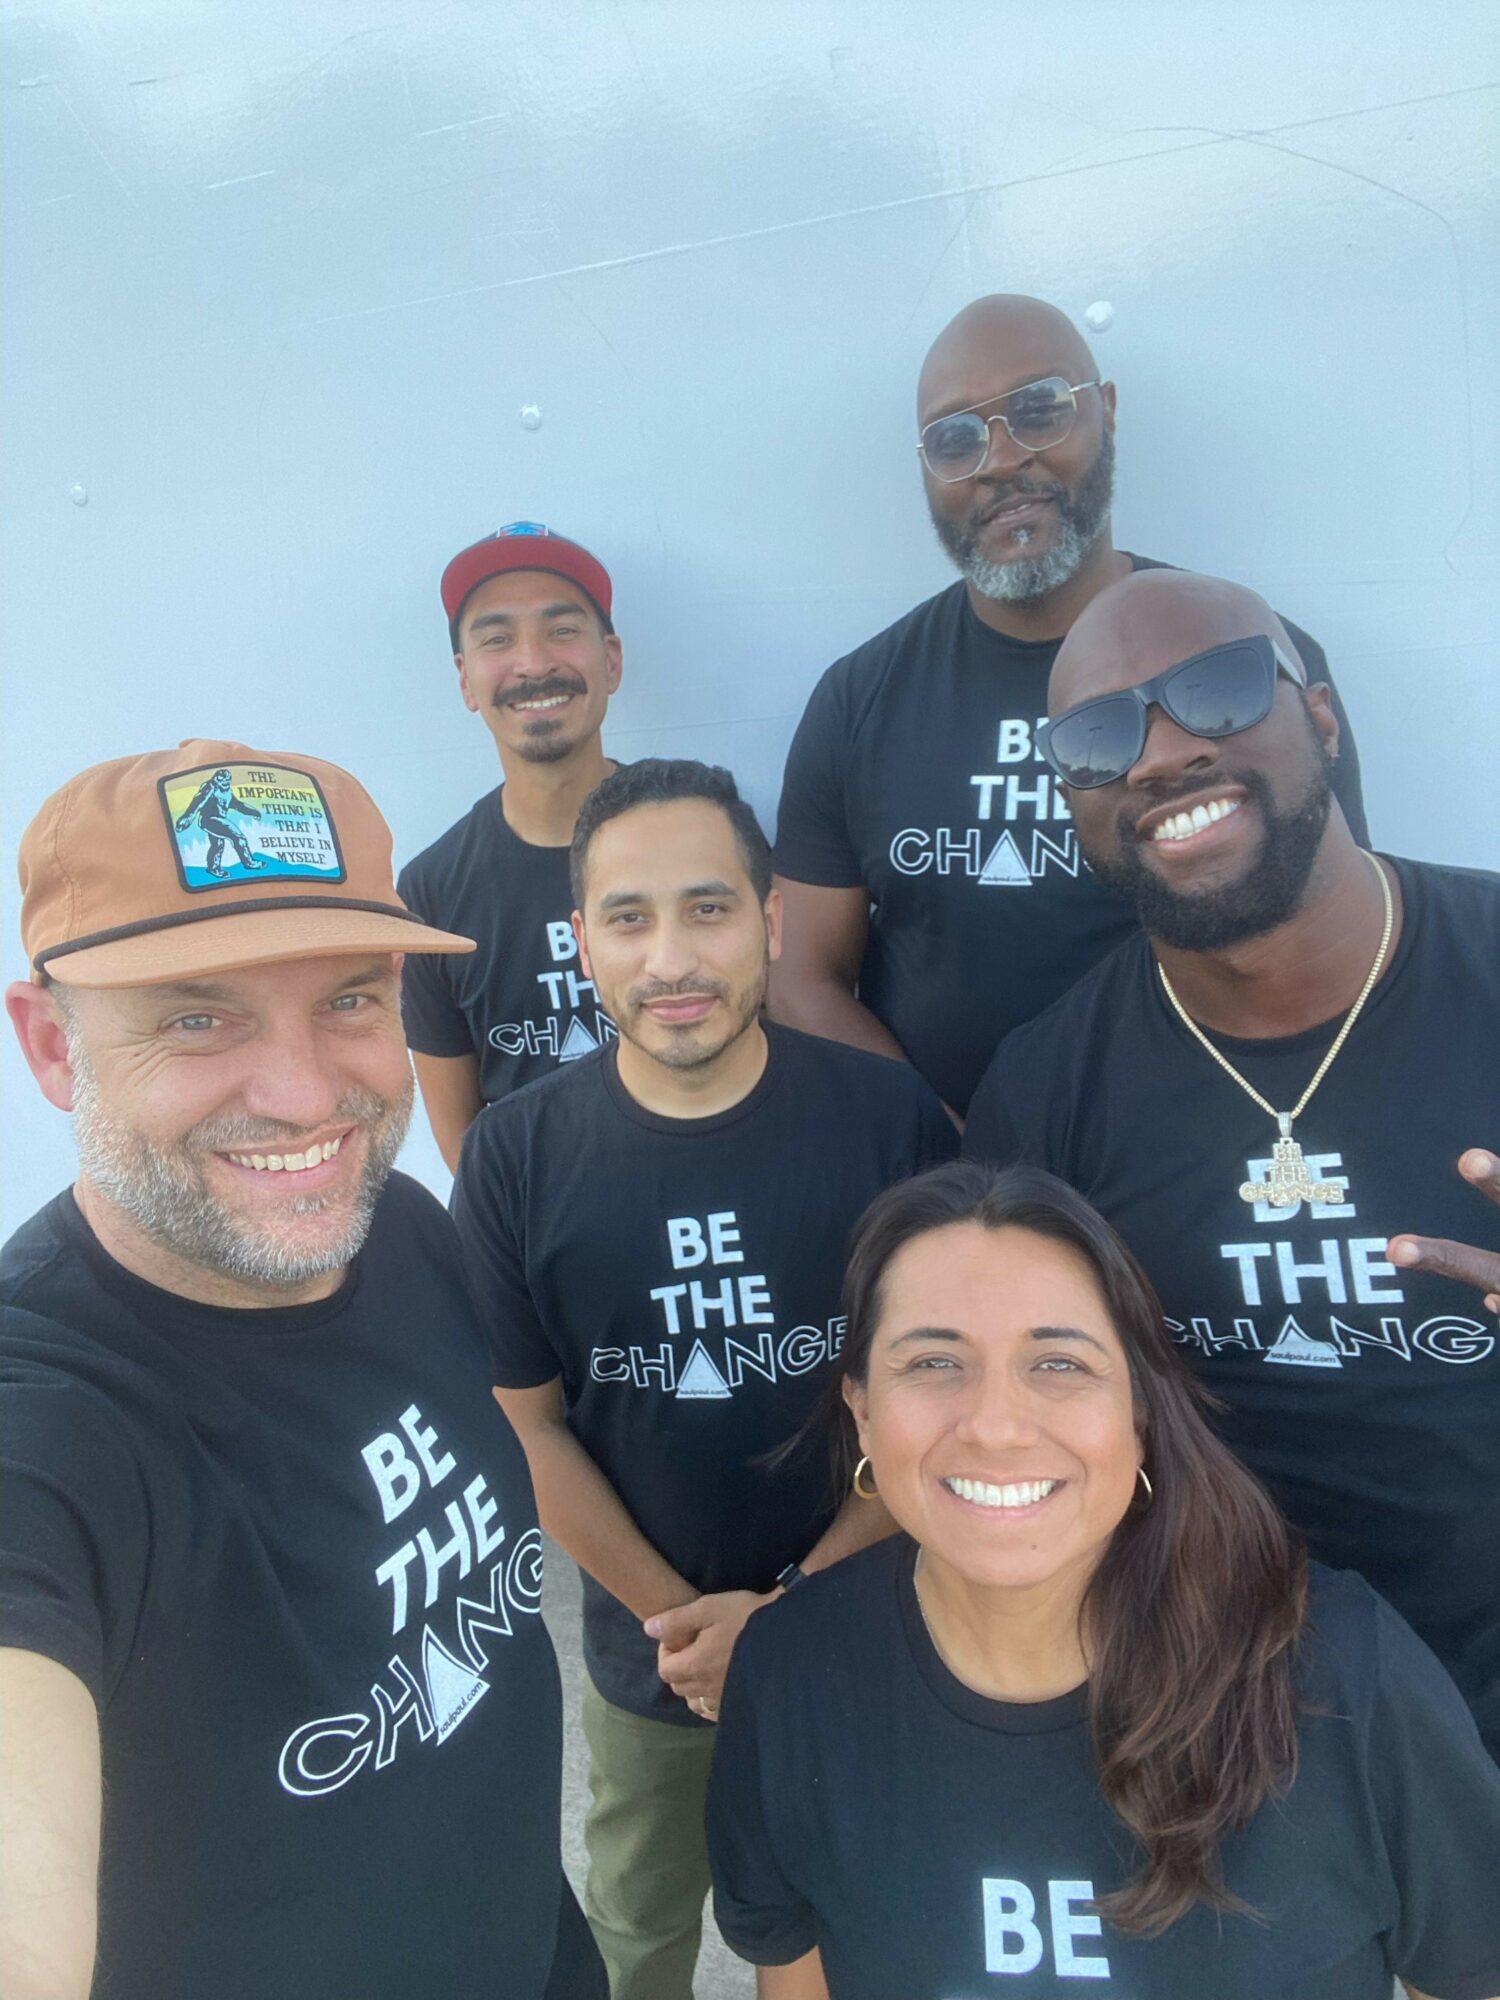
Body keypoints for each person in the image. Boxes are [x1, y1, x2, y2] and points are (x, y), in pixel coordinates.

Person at [0, 740, 604, 2000]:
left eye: (348, 997)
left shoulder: (405, 1230)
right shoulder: (46, 1428)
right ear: (53, 1049)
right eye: (196, 1014)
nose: (302, 1093)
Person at [706, 1161, 1500, 2000]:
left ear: (1140, 1413)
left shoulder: (1348, 1677)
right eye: (935, 1363)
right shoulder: (788, 1670)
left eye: (1060, 1363)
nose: (997, 1427)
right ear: (862, 1407)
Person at [963, 566, 1500, 1760]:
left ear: (1320, 714)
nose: (1158, 755)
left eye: (1213, 690)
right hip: (1235, 1737)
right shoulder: (1044, 1091)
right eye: (1099, 737)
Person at [450, 758, 956, 2000]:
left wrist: (786, 1612)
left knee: (873, 1908)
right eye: (628, 916)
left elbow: (944, 1401)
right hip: (648, 1650)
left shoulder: (891, 1122)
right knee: (640, 1919)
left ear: (773, 918)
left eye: (709, 908)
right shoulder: (515, 1156)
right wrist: (686, 1628)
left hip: (874, 1620)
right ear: (580, 941)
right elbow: (527, 1430)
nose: (670, 957)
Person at [768, 293, 1368, 1115]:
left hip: (1201, 1151)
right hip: (953, 1199)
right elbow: (800, 978)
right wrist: (946, 1155)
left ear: (1107, 412)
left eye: (1039, 409)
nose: (1002, 458)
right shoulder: (857, 699)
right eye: (956, 437)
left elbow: (1325, 925)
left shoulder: (1244, 663)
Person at [398, 522, 625, 1169]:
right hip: (547, 1236)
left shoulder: (703, 835)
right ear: (466, 680)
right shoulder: (430, 893)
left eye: (561, 629)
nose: (532, 662)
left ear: (611, 659)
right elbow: (465, 1144)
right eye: (498, 639)